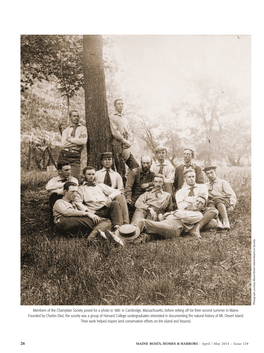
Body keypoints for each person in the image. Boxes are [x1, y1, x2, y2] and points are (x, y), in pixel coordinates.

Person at [75, 166, 124, 230]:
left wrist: (110, 197)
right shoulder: (81, 188)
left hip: (105, 209)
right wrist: (87, 211)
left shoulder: (100, 185)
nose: (91, 176)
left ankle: (117, 227)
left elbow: (117, 191)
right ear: (84, 175)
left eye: (93, 174)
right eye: (89, 174)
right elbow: (78, 202)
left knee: (115, 203)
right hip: (94, 212)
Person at [175, 168, 218, 237]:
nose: (192, 179)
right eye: (189, 177)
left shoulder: (202, 187)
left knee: (214, 211)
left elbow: (203, 201)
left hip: (201, 211)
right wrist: (196, 199)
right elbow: (181, 207)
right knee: (212, 222)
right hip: (189, 214)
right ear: (184, 179)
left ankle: (195, 228)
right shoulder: (180, 192)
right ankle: (197, 227)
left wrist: (187, 199)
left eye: (193, 176)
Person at [95, 152, 129, 224]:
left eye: (109, 159)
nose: (107, 161)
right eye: (105, 159)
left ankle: (126, 223)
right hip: (100, 196)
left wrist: (110, 197)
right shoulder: (96, 174)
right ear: (101, 162)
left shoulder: (116, 175)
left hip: (112, 196)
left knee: (121, 197)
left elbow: (121, 190)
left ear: (112, 162)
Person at [109, 99, 139, 180]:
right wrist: (124, 141)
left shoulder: (125, 118)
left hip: (126, 146)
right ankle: (122, 188)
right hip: (117, 145)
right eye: (118, 104)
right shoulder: (112, 117)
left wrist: (129, 141)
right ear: (115, 106)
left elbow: (129, 131)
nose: (121, 105)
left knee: (135, 166)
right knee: (120, 168)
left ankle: (130, 183)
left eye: (122, 104)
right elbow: (115, 132)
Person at [46, 160, 78, 228]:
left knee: (55, 193)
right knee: (54, 196)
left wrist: (57, 189)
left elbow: (75, 187)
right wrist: (65, 185)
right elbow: (48, 187)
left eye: (70, 170)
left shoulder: (73, 179)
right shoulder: (53, 180)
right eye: (66, 170)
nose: (69, 172)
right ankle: (54, 221)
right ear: (60, 171)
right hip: (57, 199)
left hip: (72, 199)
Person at [203, 164, 237, 230]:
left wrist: (232, 205)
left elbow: (232, 194)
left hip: (223, 202)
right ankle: (218, 221)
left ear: (215, 172)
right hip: (212, 204)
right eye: (207, 173)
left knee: (216, 200)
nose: (210, 175)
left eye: (211, 172)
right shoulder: (205, 185)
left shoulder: (222, 182)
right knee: (210, 202)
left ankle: (226, 221)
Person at [58, 110, 88, 179]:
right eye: (74, 116)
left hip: (75, 155)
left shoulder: (83, 129)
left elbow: (83, 141)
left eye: (78, 116)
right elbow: (63, 144)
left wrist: (70, 140)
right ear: (70, 118)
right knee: (62, 177)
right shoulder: (66, 130)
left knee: (75, 178)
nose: (76, 118)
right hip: (64, 154)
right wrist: (77, 142)